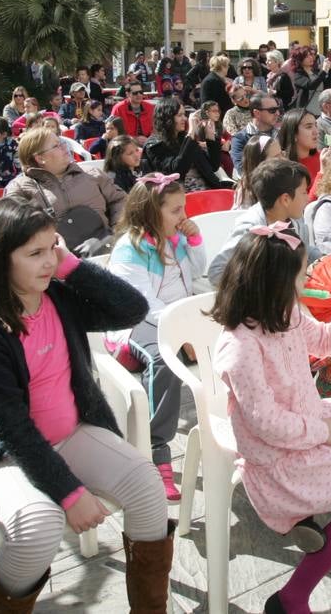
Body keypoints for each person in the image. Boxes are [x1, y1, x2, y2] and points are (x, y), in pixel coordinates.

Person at [0, 198, 173, 612]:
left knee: (147, 485)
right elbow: (13, 430)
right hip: (4, 456)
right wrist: (69, 492)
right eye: (34, 253)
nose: (48, 262)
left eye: (51, 247)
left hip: (72, 433)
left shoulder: (58, 296)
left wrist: (72, 265)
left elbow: (132, 308)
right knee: (38, 526)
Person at [211, 224, 331, 614]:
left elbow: (323, 342)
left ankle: (313, 512)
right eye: (300, 275)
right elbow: (266, 424)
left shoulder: (287, 312)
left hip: (309, 421)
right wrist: (323, 433)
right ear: (275, 282)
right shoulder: (240, 347)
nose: (307, 282)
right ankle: (289, 599)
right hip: (278, 451)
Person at [103, 175, 204, 500]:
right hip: (137, 322)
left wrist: (195, 239)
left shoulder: (176, 238)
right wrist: (184, 332)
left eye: (183, 208)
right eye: (175, 210)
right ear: (149, 211)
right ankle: (156, 452)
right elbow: (142, 304)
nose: (183, 216)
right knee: (163, 358)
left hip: (177, 316)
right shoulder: (130, 248)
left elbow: (198, 271)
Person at [6, 128, 127, 255]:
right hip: (54, 258)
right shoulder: (19, 188)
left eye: (62, 143)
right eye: (56, 146)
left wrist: (116, 234)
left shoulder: (91, 173)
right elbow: (13, 227)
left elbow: (120, 200)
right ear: (40, 158)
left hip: (107, 249)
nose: (65, 147)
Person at [208, 159, 317, 285]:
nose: (307, 198)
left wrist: (326, 258)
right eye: (304, 192)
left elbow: (305, 249)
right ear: (285, 199)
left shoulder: (295, 219)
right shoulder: (251, 230)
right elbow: (217, 272)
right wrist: (266, 284)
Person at [141, 97, 229, 192]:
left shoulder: (183, 139)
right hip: (179, 195)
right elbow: (177, 171)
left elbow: (213, 166)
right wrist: (191, 132)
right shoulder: (154, 144)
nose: (185, 118)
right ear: (167, 118)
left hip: (206, 190)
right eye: (180, 115)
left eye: (184, 114)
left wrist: (210, 137)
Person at [230, 92, 282, 176]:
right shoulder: (240, 138)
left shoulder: (282, 132)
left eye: (278, 109)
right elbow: (243, 171)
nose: (278, 113)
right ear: (257, 113)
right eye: (272, 110)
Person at [280, 108, 324, 196]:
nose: (316, 131)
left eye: (316, 125)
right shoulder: (285, 168)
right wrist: (322, 173)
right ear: (294, 134)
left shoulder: (321, 158)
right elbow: (303, 203)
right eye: (309, 127)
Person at [235, 134, 283, 209]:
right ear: (260, 162)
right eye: (276, 157)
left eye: (282, 154)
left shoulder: (281, 179)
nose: (282, 159)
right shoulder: (247, 191)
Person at [287, 47, 331, 113]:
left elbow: (327, 86)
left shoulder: (315, 72)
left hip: (319, 110)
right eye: (306, 56)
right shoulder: (298, 75)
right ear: (300, 60)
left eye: (310, 55)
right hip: (306, 111)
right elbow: (311, 85)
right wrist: (324, 71)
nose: (311, 57)